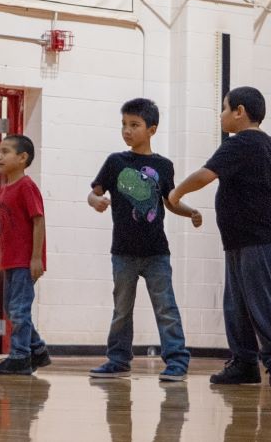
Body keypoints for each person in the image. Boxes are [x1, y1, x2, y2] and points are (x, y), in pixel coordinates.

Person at [169, 86, 271, 388]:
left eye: (225, 108)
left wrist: (177, 192)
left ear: (240, 112)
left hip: (257, 238)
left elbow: (206, 174)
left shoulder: (240, 143)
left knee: (258, 300)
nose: (221, 115)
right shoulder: (270, 144)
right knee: (237, 303)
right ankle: (244, 364)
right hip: (242, 238)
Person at [86, 98, 196, 382]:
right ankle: (118, 359)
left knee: (166, 307)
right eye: (124, 124)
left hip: (157, 252)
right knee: (122, 309)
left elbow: (170, 202)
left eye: (134, 125)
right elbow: (94, 192)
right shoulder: (115, 162)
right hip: (122, 252)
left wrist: (190, 212)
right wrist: (96, 200)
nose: (127, 130)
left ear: (152, 129)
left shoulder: (163, 165)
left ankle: (176, 361)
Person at [0, 135, 51, 375]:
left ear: (23, 158)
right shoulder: (5, 187)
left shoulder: (26, 186)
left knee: (19, 310)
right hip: (10, 260)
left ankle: (20, 356)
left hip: (24, 261)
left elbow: (38, 220)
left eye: (6, 151)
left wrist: (35, 258)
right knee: (12, 309)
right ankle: (38, 350)